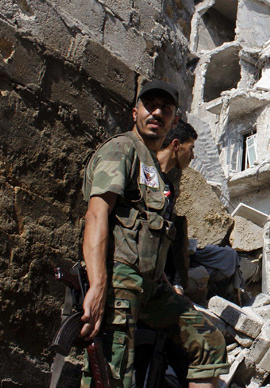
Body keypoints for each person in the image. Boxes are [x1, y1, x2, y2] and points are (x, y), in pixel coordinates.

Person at [80, 80, 228, 387]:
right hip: (120, 281)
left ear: (173, 120)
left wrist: (164, 279)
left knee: (208, 341)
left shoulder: (159, 175)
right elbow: (97, 214)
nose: (157, 112)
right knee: (113, 372)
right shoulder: (122, 149)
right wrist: (97, 285)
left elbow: (153, 233)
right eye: (151, 105)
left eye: (166, 108)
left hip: (152, 288)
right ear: (136, 112)